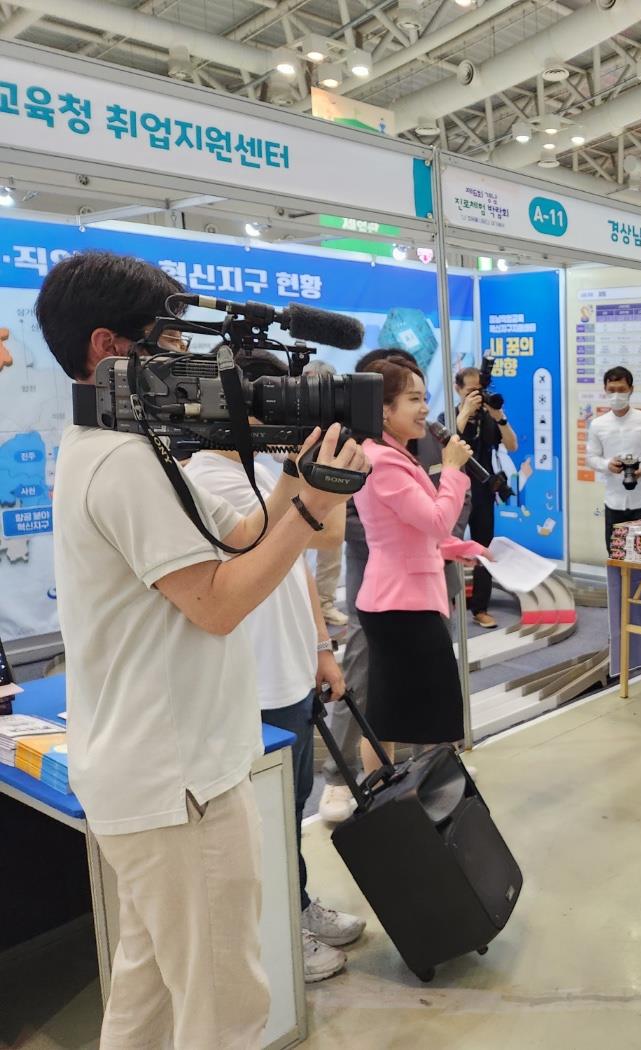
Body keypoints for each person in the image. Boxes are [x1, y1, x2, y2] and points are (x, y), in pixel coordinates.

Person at [41, 251, 368, 1047]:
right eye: (168, 342)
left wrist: (294, 479)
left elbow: (244, 535)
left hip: (156, 777)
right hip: (174, 785)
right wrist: (312, 508)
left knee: (149, 994)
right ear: (107, 347)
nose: (186, 360)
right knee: (225, 1012)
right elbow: (217, 604)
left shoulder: (125, 446)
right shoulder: (121, 460)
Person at [184, 351, 366, 983]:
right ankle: (277, 934)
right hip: (250, 679)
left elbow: (301, 566)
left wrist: (320, 648)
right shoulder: (203, 478)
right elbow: (324, 534)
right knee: (259, 820)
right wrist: (322, 467)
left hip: (290, 667)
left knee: (291, 806)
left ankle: (297, 904)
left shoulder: (262, 468)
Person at [355, 357, 484, 774]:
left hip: (400, 600)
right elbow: (436, 520)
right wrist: (453, 469)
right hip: (401, 604)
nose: (425, 408)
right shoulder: (382, 460)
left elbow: (414, 532)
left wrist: (456, 548)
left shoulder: (394, 455)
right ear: (383, 409)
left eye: (425, 398)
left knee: (391, 713)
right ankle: (425, 794)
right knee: (424, 712)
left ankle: (404, 793)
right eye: (414, 399)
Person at [318, 348, 420, 824]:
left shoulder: (423, 439)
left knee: (419, 671)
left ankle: (422, 763)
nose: (420, 406)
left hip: (426, 572)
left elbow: (447, 498)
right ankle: (339, 776)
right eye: (409, 396)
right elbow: (349, 518)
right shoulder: (354, 447)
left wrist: (434, 528)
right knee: (359, 672)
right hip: (375, 571)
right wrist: (398, 530)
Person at [454, 366, 519, 629]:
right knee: (448, 547)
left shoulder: (488, 417)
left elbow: (512, 445)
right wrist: (465, 412)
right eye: (471, 391)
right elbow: (448, 442)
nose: (477, 397)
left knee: (483, 549)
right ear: (458, 390)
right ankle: (446, 601)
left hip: (482, 492)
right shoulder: (448, 414)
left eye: (480, 391)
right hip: (454, 491)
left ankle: (480, 608)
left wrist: (499, 417)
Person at [586, 365, 641, 543]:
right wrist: (607, 465)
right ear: (605, 390)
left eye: (621, 389)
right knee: (615, 552)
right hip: (613, 502)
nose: (616, 395)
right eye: (611, 390)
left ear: (631, 389)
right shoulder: (598, 424)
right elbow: (591, 458)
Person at [300, 359, 348, 627]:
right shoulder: (294, 412)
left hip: (329, 486)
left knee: (332, 547)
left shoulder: (339, 416)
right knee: (292, 545)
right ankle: (301, 602)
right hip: (296, 486)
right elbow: (277, 453)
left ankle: (325, 603)